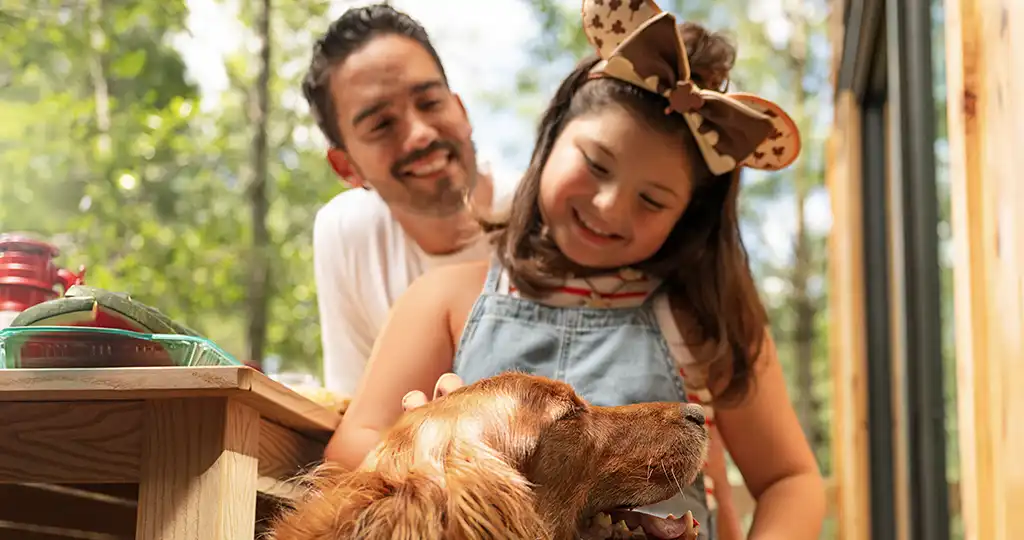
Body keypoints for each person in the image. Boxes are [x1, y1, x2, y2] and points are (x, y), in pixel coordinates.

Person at [325, 0, 824, 538]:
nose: (610, 206)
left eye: (652, 200)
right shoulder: (446, 299)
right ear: (551, 137)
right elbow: (352, 448)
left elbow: (790, 479)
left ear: (686, 218)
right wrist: (429, 444)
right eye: (595, 164)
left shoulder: (703, 321)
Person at [302, 4, 518, 397]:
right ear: (347, 167)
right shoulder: (346, 233)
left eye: (430, 103)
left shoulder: (545, 215)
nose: (419, 134)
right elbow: (355, 409)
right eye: (382, 124)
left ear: (461, 109)